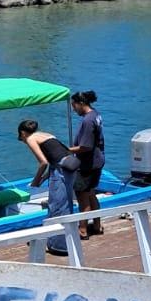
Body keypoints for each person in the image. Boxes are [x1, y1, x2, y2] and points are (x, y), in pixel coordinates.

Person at [16, 117, 78, 255]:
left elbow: (43, 162)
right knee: (64, 203)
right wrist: (44, 178)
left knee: (57, 206)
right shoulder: (46, 135)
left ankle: (60, 246)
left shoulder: (31, 138)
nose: (23, 140)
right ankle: (54, 241)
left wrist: (35, 181)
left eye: (21, 137)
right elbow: (55, 156)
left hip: (61, 170)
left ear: (23, 133)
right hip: (69, 166)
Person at [68, 90, 105, 237]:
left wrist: (67, 149)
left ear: (81, 103)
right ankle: (96, 225)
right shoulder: (96, 115)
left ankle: (82, 229)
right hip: (97, 160)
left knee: (82, 197)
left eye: (74, 105)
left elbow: (85, 147)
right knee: (91, 194)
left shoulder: (87, 121)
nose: (73, 109)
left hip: (87, 163)